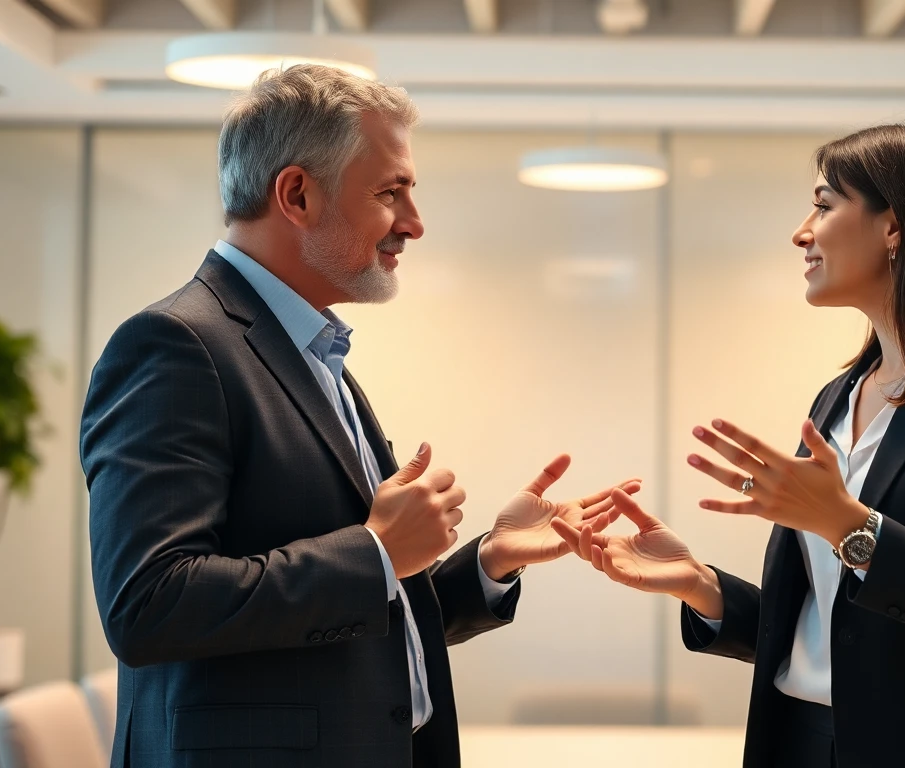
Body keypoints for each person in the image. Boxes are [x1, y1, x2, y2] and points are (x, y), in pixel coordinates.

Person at [80, 64, 637, 767]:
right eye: (390, 192)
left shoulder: (310, 350)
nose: (414, 223)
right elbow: (149, 603)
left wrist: (489, 561)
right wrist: (375, 552)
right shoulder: (176, 345)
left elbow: (364, 610)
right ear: (297, 194)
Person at [554, 119, 905, 767]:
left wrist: (851, 527)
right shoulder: (840, 396)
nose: (800, 231)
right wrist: (700, 586)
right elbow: (839, 632)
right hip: (807, 743)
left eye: (823, 204)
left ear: (894, 227)